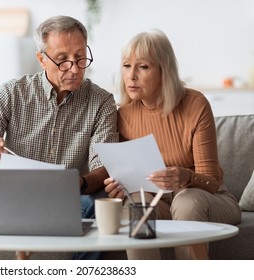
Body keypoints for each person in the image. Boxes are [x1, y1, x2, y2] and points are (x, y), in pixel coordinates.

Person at [0, 15, 118, 260]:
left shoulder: (102, 102)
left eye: (80, 57)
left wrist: (77, 183)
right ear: (41, 59)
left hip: (67, 201)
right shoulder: (12, 93)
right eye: (62, 60)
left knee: (98, 204)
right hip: (9, 198)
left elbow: (105, 168)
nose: (75, 68)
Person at [104, 29, 241, 259]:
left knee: (187, 200)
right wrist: (115, 186)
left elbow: (212, 181)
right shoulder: (124, 115)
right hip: (158, 201)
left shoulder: (194, 104)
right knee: (135, 203)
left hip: (208, 198)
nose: (131, 75)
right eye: (127, 66)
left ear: (164, 71)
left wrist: (186, 177)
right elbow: (129, 175)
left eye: (143, 66)